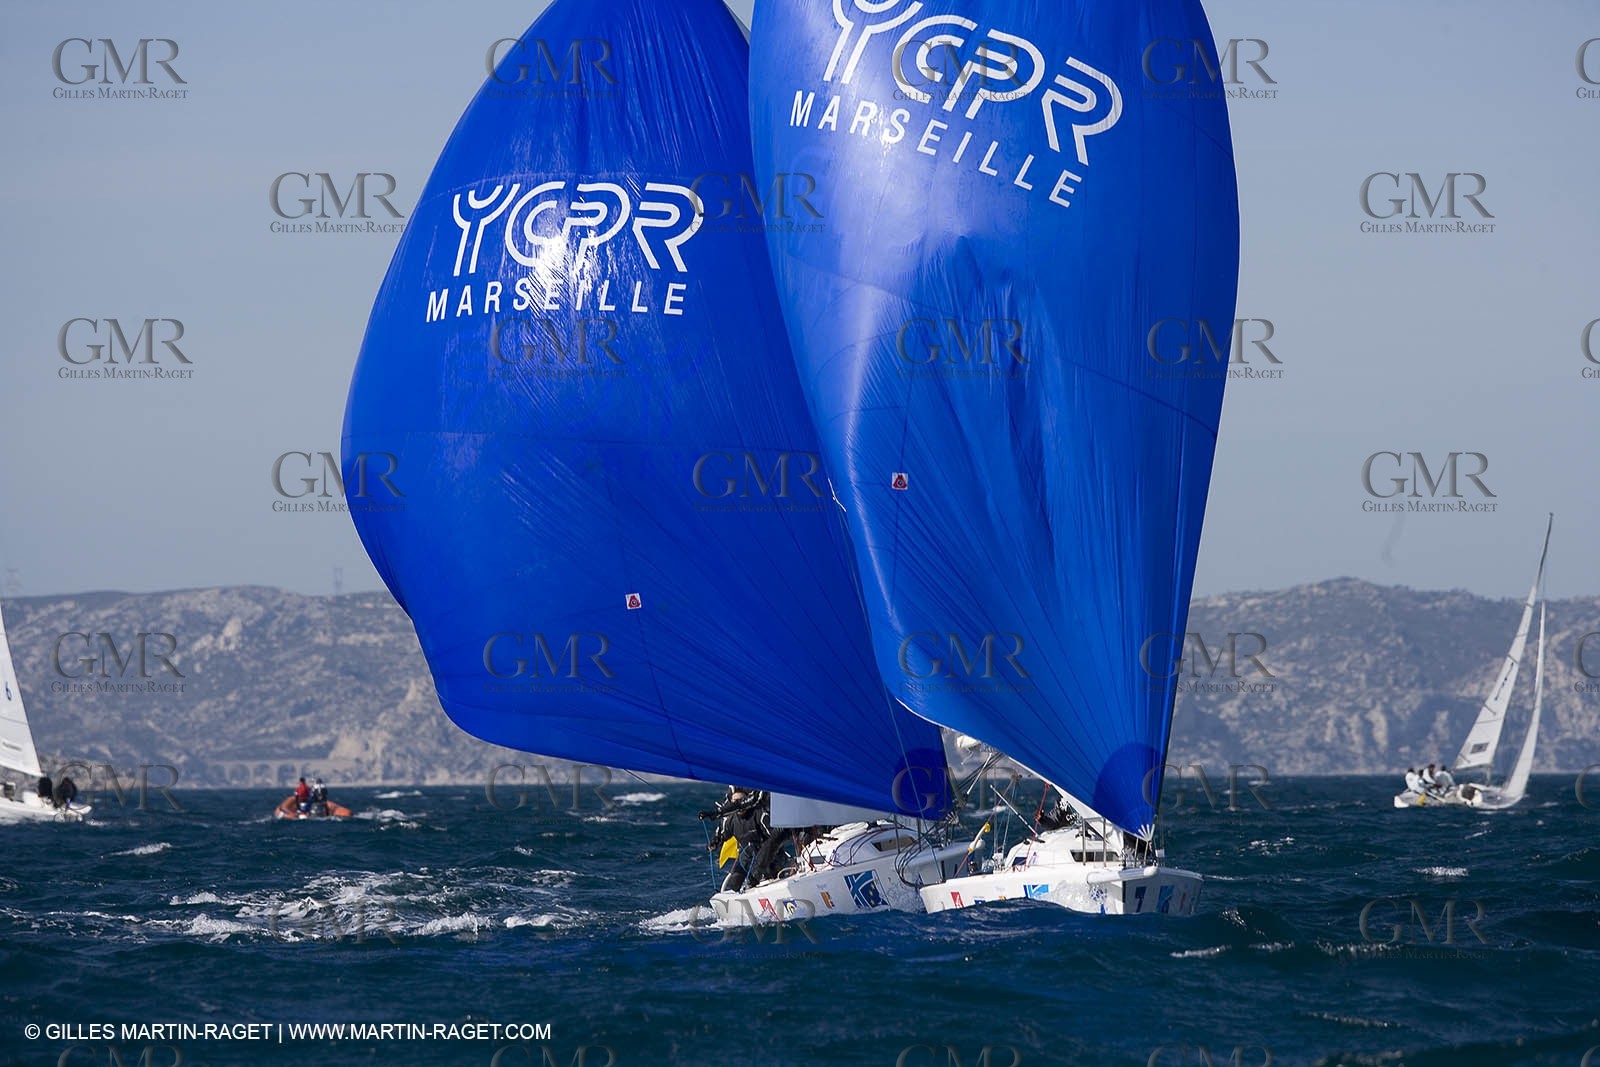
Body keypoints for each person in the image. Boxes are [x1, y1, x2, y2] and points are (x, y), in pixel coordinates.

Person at [698, 786, 769, 892]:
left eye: (741, 800)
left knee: (764, 873)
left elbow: (773, 836)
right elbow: (720, 835)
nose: (738, 804)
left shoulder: (758, 814)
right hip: (745, 855)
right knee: (734, 884)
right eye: (735, 801)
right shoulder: (730, 820)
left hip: (765, 853)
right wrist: (714, 843)